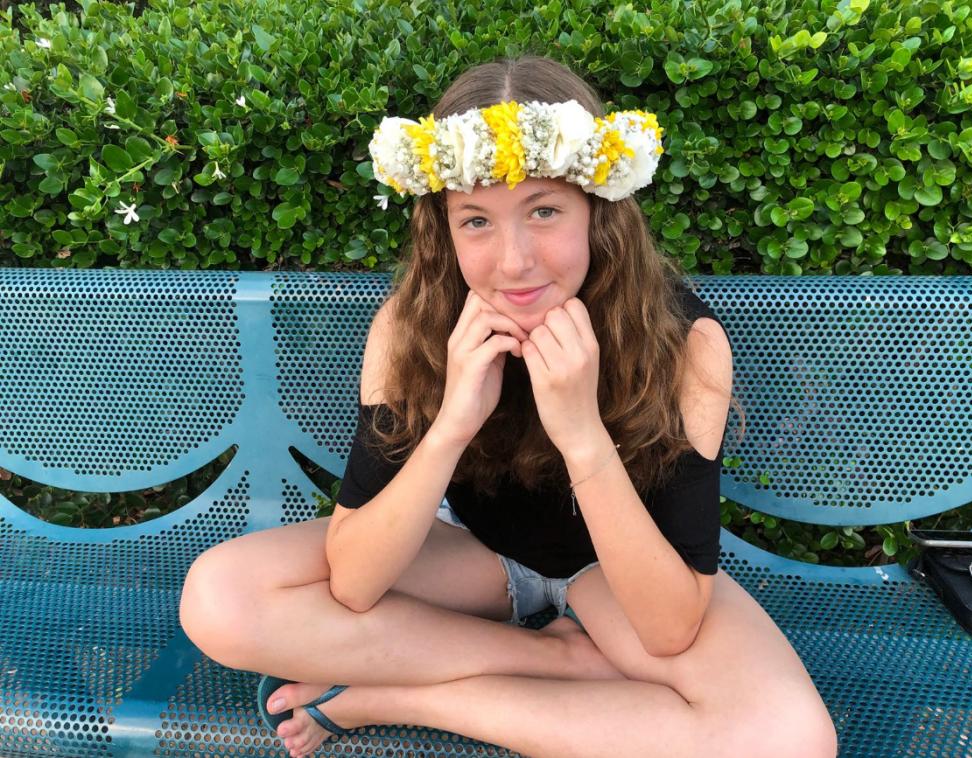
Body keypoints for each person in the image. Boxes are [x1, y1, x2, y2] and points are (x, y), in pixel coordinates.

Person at [179, 55, 838, 758]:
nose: (514, 261)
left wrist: (582, 434)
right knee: (220, 599)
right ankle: (561, 662)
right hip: (475, 556)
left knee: (790, 741)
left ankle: (403, 696)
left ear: (600, 213)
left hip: (620, 580)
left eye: (545, 211)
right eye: (476, 222)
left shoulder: (684, 344)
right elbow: (356, 581)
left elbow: (670, 628)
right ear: (444, 229)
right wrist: (454, 420)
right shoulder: (410, 329)